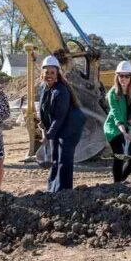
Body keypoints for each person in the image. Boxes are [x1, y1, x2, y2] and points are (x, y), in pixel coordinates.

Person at [39, 55, 86, 192]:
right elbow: (44, 108)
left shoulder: (61, 91)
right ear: (43, 73)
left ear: (57, 74)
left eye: (52, 73)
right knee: (55, 157)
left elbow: (59, 117)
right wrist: (43, 123)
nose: (49, 75)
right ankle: (52, 189)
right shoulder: (44, 88)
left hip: (70, 127)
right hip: (58, 126)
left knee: (64, 159)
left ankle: (64, 191)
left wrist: (48, 135)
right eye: (47, 72)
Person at [103, 60, 131, 183]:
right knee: (119, 155)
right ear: (117, 76)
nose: (124, 79)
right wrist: (124, 133)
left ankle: (121, 181)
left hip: (130, 125)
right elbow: (116, 116)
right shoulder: (112, 94)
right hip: (115, 128)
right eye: (121, 76)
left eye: (127, 76)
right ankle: (117, 185)